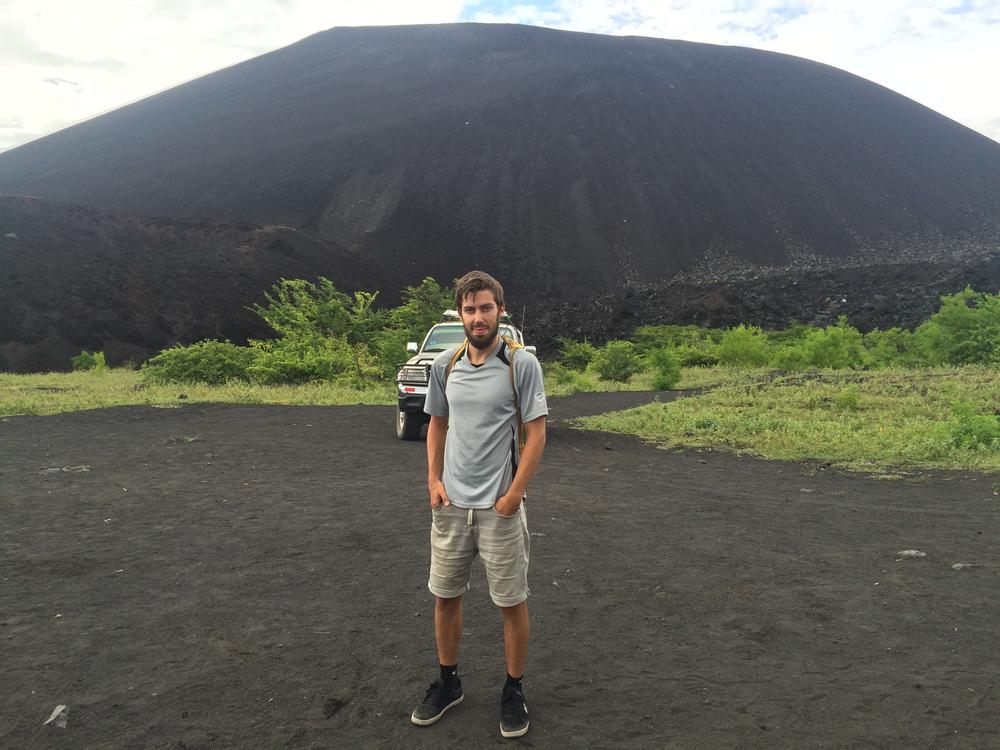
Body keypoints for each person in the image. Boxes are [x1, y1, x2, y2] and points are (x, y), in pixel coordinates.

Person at [410, 270, 548, 739]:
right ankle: (448, 682)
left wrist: (512, 496)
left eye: (486, 307)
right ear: (460, 314)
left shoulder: (519, 365)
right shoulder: (445, 365)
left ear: (500, 311)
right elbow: (436, 425)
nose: (478, 317)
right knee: (445, 596)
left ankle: (513, 689)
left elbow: (537, 433)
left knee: (511, 601)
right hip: (450, 505)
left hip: (498, 509)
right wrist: (433, 479)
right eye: (470, 309)